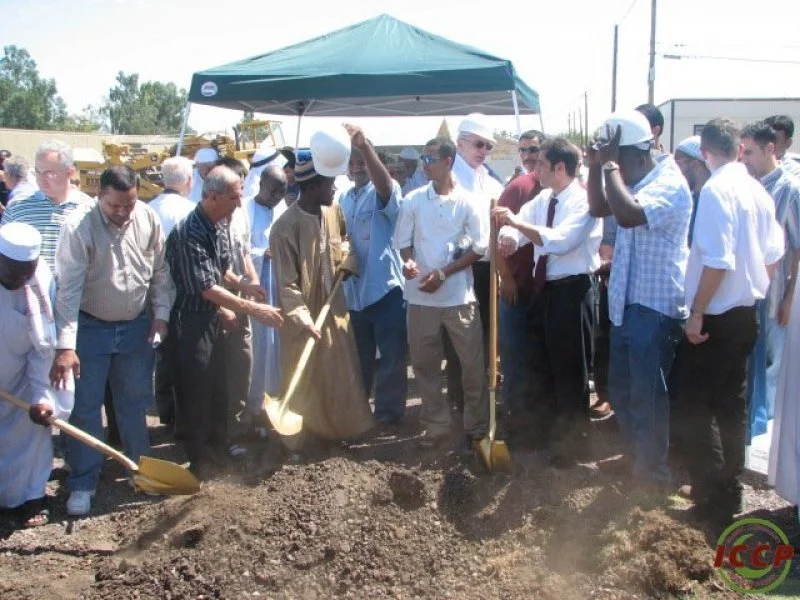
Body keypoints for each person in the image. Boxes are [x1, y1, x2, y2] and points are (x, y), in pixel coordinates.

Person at [673, 119, 784, 525]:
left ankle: (712, 500)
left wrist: (698, 312)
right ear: (738, 149)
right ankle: (729, 491)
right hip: (744, 314)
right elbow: (773, 256)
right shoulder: (757, 190)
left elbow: (718, 262)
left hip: (716, 317)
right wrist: (751, 290)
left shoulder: (717, 192)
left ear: (705, 152)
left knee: (694, 407)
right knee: (730, 408)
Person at [49, 166, 174, 516]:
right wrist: (66, 345)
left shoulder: (148, 218)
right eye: (114, 206)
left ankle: (139, 471)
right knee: (86, 407)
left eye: (128, 204)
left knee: (134, 402)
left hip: (136, 327)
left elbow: (161, 272)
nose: (122, 213)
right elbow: (68, 290)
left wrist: (161, 314)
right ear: (99, 196)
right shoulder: (79, 227)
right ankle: (84, 481)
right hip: (90, 329)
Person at [587, 109, 692, 485]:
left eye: (615, 159)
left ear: (636, 154)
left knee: (647, 399)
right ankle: (634, 459)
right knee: (623, 392)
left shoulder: (669, 183)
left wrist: (609, 166)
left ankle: (653, 475)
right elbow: (600, 208)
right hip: (625, 306)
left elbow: (629, 216)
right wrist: (597, 167)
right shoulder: (631, 178)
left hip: (655, 308)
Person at [166, 166, 283, 479]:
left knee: (220, 387)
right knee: (197, 391)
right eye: (234, 197)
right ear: (213, 197)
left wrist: (244, 285)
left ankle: (218, 451)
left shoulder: (216, 223)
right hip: (190, 320)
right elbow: (207, 288)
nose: (239, 204)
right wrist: (254, 310)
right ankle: (200, 461)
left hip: (211, 317)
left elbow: (220, 271)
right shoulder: (191, 232)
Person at [495, 139, 600, 466]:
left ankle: (572, 446)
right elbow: (520, 229)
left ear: (560, 167)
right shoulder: (544, 199)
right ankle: (544, 434)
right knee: (542, 364)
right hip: (545, 292)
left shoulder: (583, 203)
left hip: (573, 292)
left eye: (541, 163)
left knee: (570, 368)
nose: (534, 168)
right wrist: (509, 237)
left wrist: (514, 224)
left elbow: (560, 241)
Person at [270, 140, 375, 457]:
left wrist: (347, 261)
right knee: (304, 374)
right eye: (330, 183)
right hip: (303, 317)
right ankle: (300, 440)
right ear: (313, 187)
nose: (335, 187)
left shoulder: (334, 211)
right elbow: (286, 283)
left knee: (339, 369)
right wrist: (302, 318)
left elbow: (343, 243)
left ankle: (339, 430)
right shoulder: (284, 228)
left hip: (335, 307)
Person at [394, 138, 488, 449]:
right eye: (423, 157)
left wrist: (445, 273)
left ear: (448, 161)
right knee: (425, 365)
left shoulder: (468, 202)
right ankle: (435, 426)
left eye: (429, 158)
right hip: (420, 297)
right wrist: (408, 261)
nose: (424, 163)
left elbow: (479, 248)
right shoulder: (413, 200)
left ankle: (476, 427)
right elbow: (402, 242)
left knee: (472, 365)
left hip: (459, 299)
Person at [0, 223, 73, 528]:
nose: (20, 280)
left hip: (22, 374)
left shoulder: (39, 281)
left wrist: (42, 395)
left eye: (25, 273)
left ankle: (31, 498)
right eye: (13, 273)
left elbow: (42, 347)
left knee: (33, 432)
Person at [339, 125, 407, 427]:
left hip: (385, 290)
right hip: (354, 293)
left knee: (391, 359)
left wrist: (363, 145)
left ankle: (388, 415)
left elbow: (385, 187)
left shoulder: (383, 189)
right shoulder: (343, 199)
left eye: (362, 161)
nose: (357, 168)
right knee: (358, 359)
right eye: (352, 162)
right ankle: (358, 411)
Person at [740, 121, 800, 440]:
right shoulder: (749, 187)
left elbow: (797, 248)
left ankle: (768, 445)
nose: (745, 158)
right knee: (753, 372)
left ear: (770, 149)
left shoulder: (789, 189)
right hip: (752, 296)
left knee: (773, 372)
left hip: (777, 298)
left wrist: (790, 297)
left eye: (750, 152)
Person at [495, 130, 543, 425]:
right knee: (514, 357)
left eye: (533, 149)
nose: (527, 156)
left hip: (542, 289)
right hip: (517, 288)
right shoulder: (519, 187)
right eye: (523, 150)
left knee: (535, 357)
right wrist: (505, 277)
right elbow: (494, 232)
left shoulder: (555, 190)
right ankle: (515, 417)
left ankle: (534, 416)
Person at [147, 156, 196, 428]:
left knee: (162, 351)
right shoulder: (189, 211)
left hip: (153, 291)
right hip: (183, 291)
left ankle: (164, 407)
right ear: (188, 181)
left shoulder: (148, 209)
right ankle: (180, 411)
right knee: (183, 352)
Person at [0, 140, 93, 270]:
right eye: (38, 172)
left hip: (75, 289)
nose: (42, 179)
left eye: (50, 173)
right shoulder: (17, 208)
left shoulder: (89, 209)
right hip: (29, 289)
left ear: (70, 172)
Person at [244, 165, 287, 425]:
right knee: (259, 347)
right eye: (273, 191)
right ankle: (254, 403)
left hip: (278, 287)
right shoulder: (245, 211)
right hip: (258, 288)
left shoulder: (281, 210)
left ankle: (276, 396)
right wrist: (264, 254)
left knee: (277, 346)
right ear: (261, 185)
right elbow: (242, 249)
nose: (276, 197)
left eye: (281, 192)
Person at [673, 136, 710, 246]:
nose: (674, 171)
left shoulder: (712, 201)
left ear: (695, 164)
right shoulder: (689, 199)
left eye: (677, 164)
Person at [765, 115, 800, 180]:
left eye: (774, 140)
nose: (769, 145)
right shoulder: (751, 166)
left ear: (788, 143)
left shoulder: (796, 173)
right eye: (765, 140)